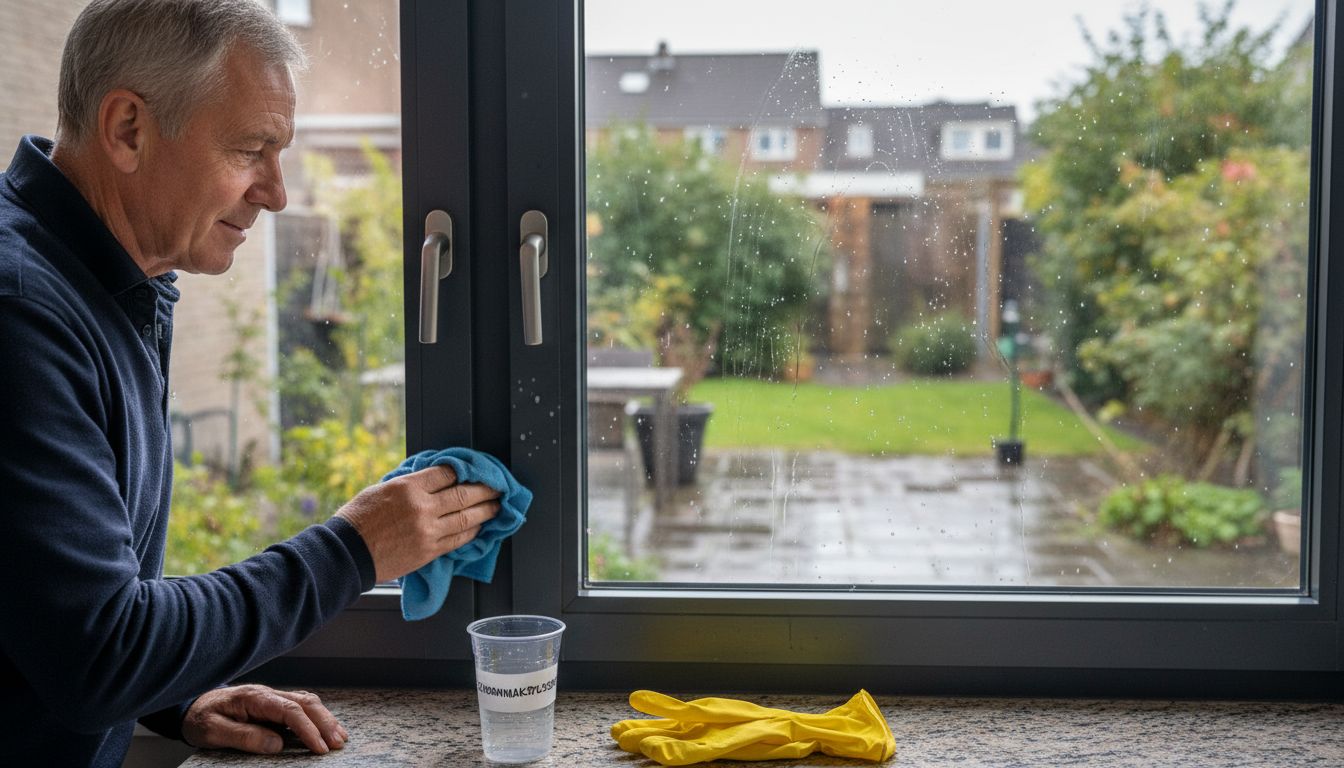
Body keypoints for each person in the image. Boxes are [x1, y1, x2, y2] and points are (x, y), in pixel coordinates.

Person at [0, 1, 501, 764]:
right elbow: (96, 655)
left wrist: (174, 694)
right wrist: (354, 549)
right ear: (128, 129)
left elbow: (40, 608)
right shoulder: (22, 312)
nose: (276, 192)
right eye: (251, 150)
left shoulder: (105, 284)